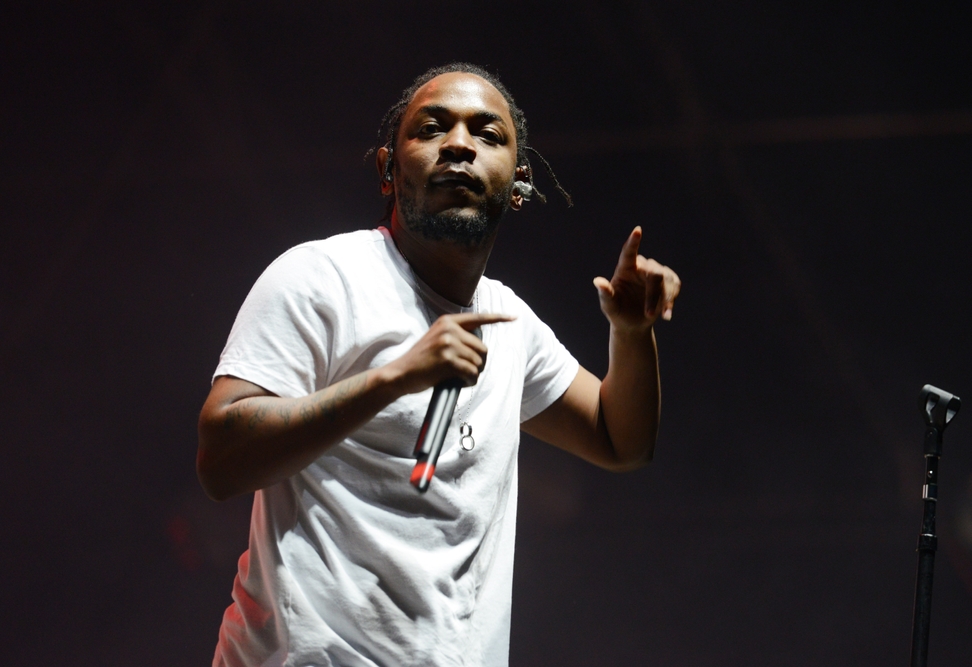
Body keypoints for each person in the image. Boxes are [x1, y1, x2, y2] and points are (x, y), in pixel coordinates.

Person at [197, 62, 681, 667]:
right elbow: (220, 459)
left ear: (519, 182)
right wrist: (394, 377)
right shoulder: (321, 279)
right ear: (386, 169)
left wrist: (631, 335)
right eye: (431, 128)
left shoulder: (510, 321)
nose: (458, 144)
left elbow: (622, 440)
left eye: (487, 134)